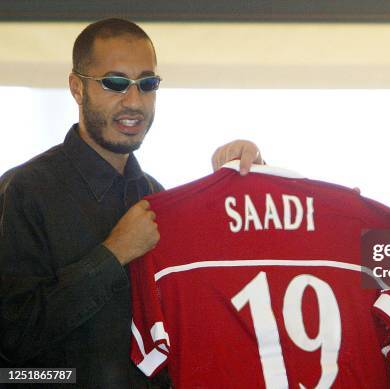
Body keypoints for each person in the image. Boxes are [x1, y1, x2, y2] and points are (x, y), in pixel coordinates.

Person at [0, 18, 260, 388]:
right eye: (115, 83)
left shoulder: (159, 199)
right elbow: (12, 340)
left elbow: (207, 311)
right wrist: (112, 255)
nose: (134, 101)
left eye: (147, 84)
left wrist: (242, 186)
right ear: (77, 88)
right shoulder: (23, 190)